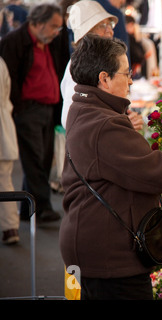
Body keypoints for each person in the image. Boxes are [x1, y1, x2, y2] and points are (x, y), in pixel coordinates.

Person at [59, 34, 162, 299]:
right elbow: (152, 170)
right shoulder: (104, 124)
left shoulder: (87, 108)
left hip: (94, 245)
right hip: (109, 256)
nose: (131, 80)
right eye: (126, 73)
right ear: (104, 79)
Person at [0, 3, 66, 222]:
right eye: (54, 26)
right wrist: (18, 108)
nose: (57, 31)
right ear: (38, 23)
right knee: (35, 160)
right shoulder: (15, 41)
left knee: (44, 159)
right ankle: (43, 207)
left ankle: (28, 209)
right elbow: (10, 79)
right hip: (28, 109)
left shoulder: (52, 42)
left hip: (49, 108)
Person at [61, 0, 142, 131]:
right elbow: (69, 120)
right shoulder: (78, 67)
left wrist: (126, 118)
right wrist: (121, 124)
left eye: (110, 24)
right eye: (101, 26)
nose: (109, 31)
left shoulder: (101, 63)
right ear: (86, 33)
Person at [0, 56, 20, 245]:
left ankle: (10, 227)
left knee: (4, 180)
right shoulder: (1, 63)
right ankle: (10, 228)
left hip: (3, 127)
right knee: (4, 181)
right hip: (4, 127)